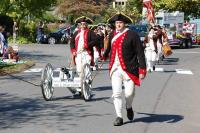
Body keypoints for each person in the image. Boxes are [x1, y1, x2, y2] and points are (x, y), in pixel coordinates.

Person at [103, 13, 146, 126]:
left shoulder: (132, 35)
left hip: (129, 69)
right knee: (116, 94)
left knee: (129, 94)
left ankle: (129, 106)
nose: (118, 25)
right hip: (115, 69)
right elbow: (109, 48)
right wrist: (105, 55)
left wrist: (142, 69)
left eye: (120, 23)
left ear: (124, 24)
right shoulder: (112, 34)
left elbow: (140, 52)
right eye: (117, 23)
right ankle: (119, 116)